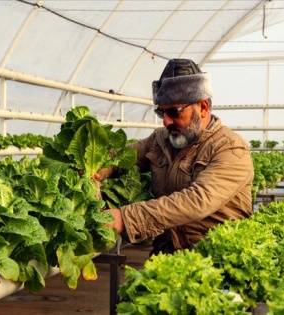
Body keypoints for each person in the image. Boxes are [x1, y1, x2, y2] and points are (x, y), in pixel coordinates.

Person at [104, 58, 254, 255]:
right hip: (168, 254)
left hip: (215, 258)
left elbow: (197, 201)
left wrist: (126, 218)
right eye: (161, 112)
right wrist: (96, 166)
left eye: (174, 112)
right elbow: (121, 158)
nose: (166, 121)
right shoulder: (160, 140)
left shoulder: (230, 149)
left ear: (202, 107)